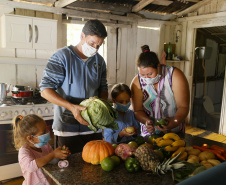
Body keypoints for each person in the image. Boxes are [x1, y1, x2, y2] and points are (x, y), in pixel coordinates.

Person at [39, 20, 108, 153]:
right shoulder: (61, 57)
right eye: (92, 43)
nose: (95, 48)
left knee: (95, 168)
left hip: (93, 126)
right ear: (82, 36)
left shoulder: (99, 61)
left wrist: (103, 106)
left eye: (98, 45)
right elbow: (45, 90)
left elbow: (103, 88)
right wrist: (72, 107)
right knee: (69, 169)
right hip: (67, 127)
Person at [131, 45, 189, 138]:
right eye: (143, 74)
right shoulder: (137, 81)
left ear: (158, 66)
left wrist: (173, 122)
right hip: (149, 135)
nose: (146, 78)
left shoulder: (174, 75)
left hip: (174, 133)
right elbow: (138, 110)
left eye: (150, 74)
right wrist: (146, 121)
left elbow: (183, 106)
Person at [12, 114, 70, 185]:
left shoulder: (45, 146)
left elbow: (52, 160)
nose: (47, 133)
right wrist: (53, 154)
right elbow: (30, 167)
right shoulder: (24, 152)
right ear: (30, 138)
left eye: (46, 129)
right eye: (43, 132)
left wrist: (60, 155)